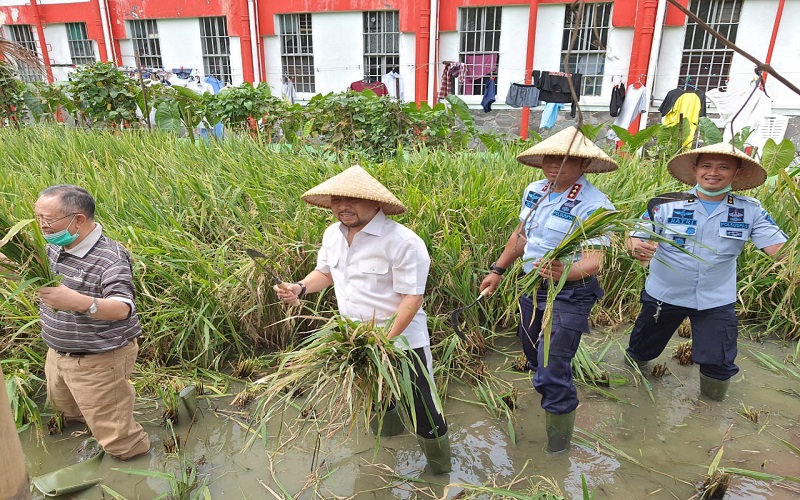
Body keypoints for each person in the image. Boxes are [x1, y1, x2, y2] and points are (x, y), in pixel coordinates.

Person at [274, 165, 451, 474]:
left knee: (424, 409)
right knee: (376, 401)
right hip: (356, 342)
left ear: (376, 203)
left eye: (353, 199)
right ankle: (385, 459)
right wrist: (300, 288)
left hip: (403, 342)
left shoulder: (403, 242)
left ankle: (440, 473)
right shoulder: (333, 234)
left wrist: (386, 340)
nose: (344, 206)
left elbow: (412, 299)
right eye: (337, 200)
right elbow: (325, 273)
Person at [479, 126, 619, 453]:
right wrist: (498, 270)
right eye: (549, 159)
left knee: (551, 369)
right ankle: (552, 388)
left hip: (571, 293)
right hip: (533, 287)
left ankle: (557, 452)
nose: (554, 166)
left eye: (565, 161)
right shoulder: (534, 190)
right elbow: (521, 236)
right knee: (531, 352)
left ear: (583, 165)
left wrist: (565, 273)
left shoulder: (595, 204)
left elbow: (594, 262)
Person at [627, 143, 787, 401]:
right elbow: (636, 237)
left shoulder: (750, 210)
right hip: (664, 294)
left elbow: (780, 250)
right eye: (707, 166)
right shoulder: (665, 204)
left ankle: (711, 414)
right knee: (641, 350)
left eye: (724, 167)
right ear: (695, 169)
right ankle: (633, 394)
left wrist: (793, 262)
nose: (714, 172)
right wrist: (637, 248)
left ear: (736, 173)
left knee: (719, 362)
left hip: (716, 300)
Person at [34, 185, 150, 460]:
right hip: (58, 357)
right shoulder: (52, 246)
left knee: (120, 439)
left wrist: (77, 301)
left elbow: (123, 308)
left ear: (78, 219)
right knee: (69, 413)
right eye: (37, 218)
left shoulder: (111, 257)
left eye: (48, 220)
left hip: (99, 361)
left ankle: (133, 472)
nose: (42, 226)